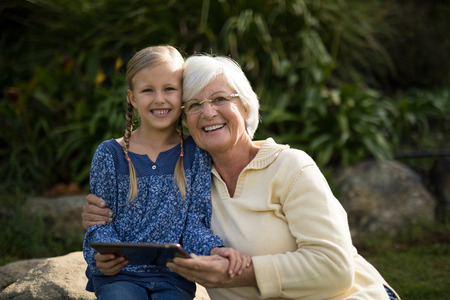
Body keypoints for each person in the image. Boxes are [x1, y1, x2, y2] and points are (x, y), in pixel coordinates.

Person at [83, 53, 401, 299]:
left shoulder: (290, 167)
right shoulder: (189, 174)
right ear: (184, 118)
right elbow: (136, 205)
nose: (208, 112)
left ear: (246, 107)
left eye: (221, 99)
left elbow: (336, 269)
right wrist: (101, 221)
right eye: (194, 104)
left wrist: (242, 273)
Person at [83, 46, 250, 300]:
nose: (159, 99)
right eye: (148, 90)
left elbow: (195, 223)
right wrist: (100, 258)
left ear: (183, 95)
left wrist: (214, 250)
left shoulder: (195, 153)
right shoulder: (110, 155)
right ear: (132, 98)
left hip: (173, 277)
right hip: (119, 277)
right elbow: (98, 225)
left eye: (169, 89)